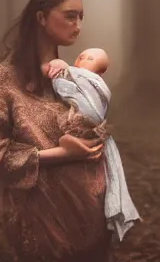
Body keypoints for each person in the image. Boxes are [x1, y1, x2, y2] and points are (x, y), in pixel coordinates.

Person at [0, 0, 112, 261]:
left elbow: (94, 133)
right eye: (70, 15)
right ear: (41, 17)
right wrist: (60, 154)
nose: (78, 25)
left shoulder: (73, 79)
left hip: (92, 221)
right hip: (40, 226)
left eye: (81, 17)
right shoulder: (0, 81)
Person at [43, 49, 141, 242]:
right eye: (82, 55)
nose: (82, 59)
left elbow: (69, 90)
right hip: (89, 130)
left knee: (76, 129)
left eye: (89, 58)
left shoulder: (91, 81)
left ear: (100, 73)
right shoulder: (85, 78)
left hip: (88, 123)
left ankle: (73, 140)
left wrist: (61, 73)